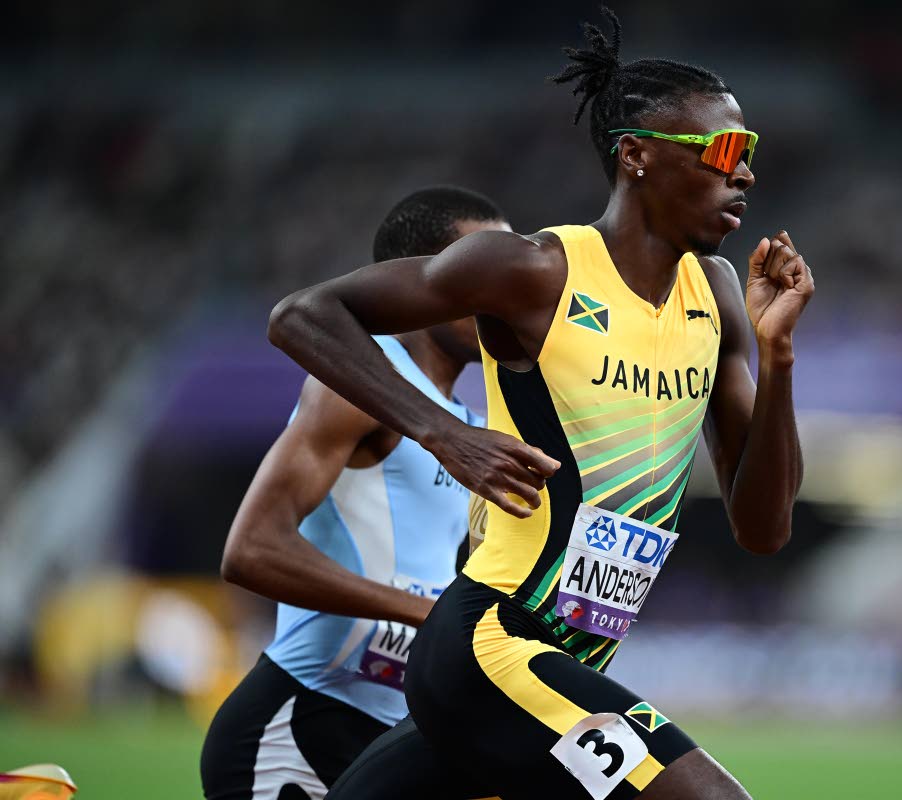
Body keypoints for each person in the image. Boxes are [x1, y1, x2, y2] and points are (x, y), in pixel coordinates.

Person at [269, 9, 814, 800]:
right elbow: (302, 315)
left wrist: (778, 357)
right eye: (728, 151)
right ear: (637, 156)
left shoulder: (720, 295)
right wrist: (444, 434)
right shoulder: (534, 271)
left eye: (750, 155)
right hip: (493, 645)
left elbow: (763, 529)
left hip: (566, 662)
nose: (747, 175)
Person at [199, 186, 510, 800]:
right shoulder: (360, 383)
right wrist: (429, 617)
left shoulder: (472, 426)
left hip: (393, 735)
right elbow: (252, 548)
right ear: (423, 280)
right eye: (481, 270)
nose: (500, 293)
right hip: (296, 723)